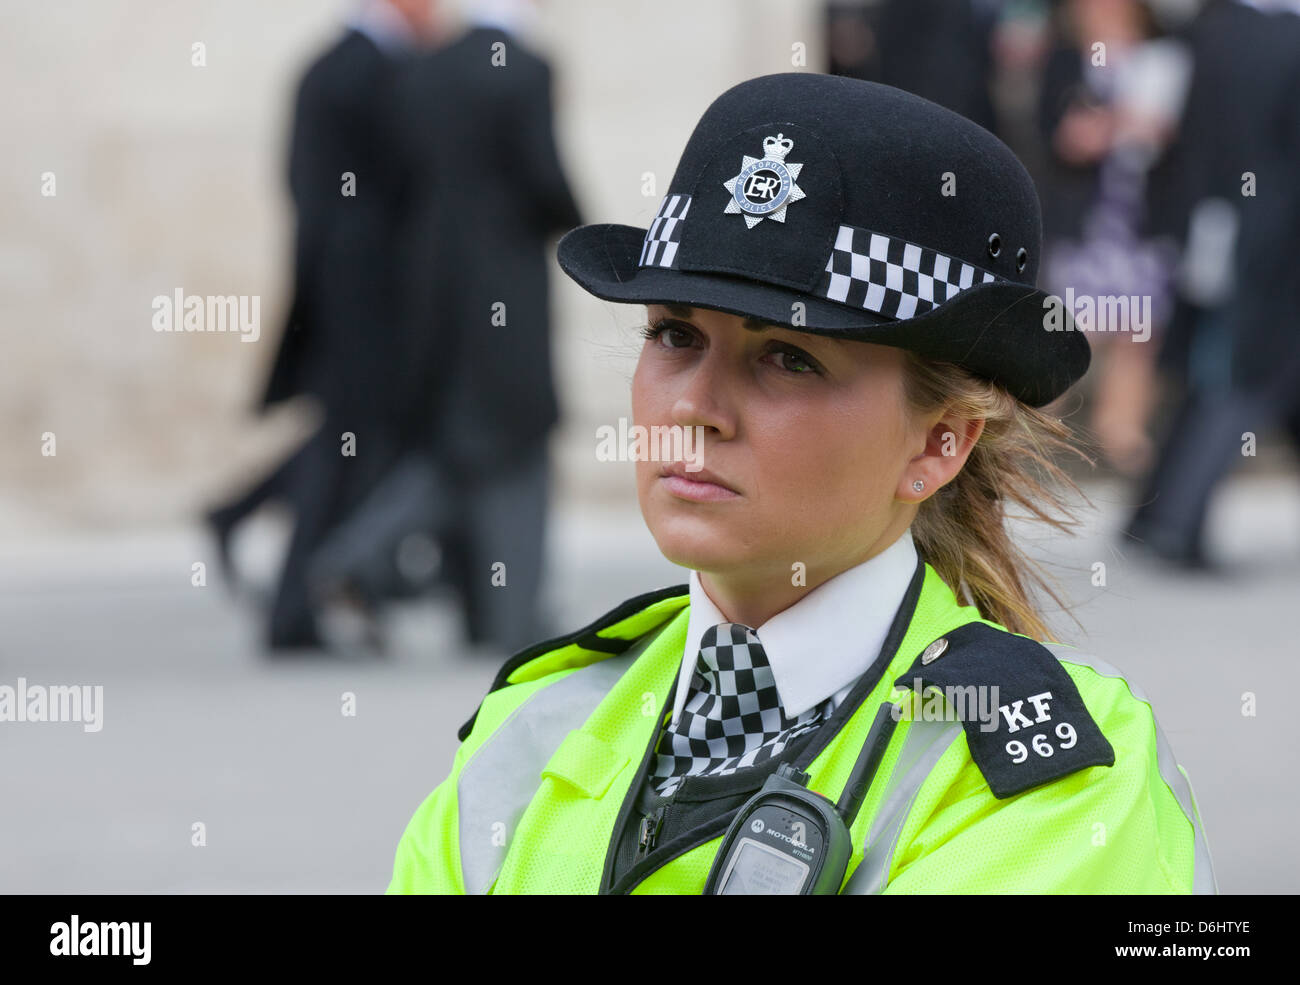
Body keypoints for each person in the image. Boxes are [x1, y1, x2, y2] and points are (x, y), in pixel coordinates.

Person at [385, 73, 1216, 894]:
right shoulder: (536, 718)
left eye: (789, 358)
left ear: (939, 442)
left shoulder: (1057, 772)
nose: (695, 407)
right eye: (675, 333)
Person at [210, 0, 437, 649]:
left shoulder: (329, 65)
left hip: (338, 293)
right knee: (346, 449)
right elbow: (397, 188)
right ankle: (291, 608)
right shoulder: (369, 71)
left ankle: (244, 524)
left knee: (345, 443)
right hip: (361, 299)